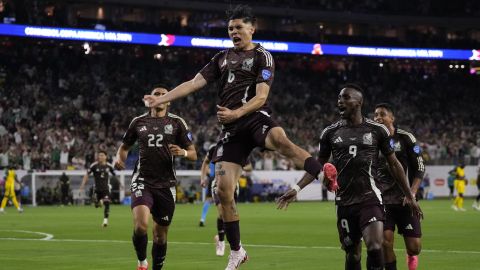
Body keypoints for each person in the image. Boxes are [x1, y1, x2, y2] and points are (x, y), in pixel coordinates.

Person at [142, 5, 333, 269]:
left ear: (251, 28)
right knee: (222, 191)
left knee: (281, 141)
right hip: (232, 131)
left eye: (239, 27)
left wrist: (236, 113)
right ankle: (237, 251)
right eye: (230, 28)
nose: (234, 32)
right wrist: (160, 98)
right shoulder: (221, 58)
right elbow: (193, 83)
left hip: (254, 117)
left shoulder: (262, 56)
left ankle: (325, 176)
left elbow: (262, 96)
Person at [277, 85, 422, 270]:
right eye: (339, 98)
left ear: (358, 102)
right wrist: (296, 189)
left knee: (375, 246)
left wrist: (409, 194)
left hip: (370, 198)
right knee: (352, 255)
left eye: (346, 98)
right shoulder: (330, 132)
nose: (340, 101)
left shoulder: (377, 130)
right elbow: (317, 164)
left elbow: (394, 164)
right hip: (344, 202)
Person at [115, 86, 197, 270]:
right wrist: (120, 158)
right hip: (142, 180)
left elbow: (193, 154)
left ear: (169, 100)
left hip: (166, 185)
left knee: (160, 235)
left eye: (163, 94)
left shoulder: (177, 123)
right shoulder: (138, 122)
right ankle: (142, 262)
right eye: (156, 93)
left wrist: (183, 152)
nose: (160, 96)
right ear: (151, 99)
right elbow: (124, 147)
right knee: (141, 225)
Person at [373, 103, 425, 270]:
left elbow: (420, 167)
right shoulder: (372, 140)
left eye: (382, 114)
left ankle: (411, 256)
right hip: (383, 200)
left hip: (405, 200)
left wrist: (412, 192)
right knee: (385, 242)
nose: (378, 118)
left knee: (414, 247)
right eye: (375, 115)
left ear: (392, 118)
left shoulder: (406, 138)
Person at [79, 150, 116, 227]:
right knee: (96, 205)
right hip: (97, 189)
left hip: (106, 188)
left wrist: (121, 185)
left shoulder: (109, 166)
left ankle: (105, 221)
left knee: (107, 203)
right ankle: (99, 202)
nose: (100, 157)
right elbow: (87, 174)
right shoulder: (94, 165)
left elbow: (115, 175)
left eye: (102, 155)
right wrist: (82, 185)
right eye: (99, 155)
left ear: (106, 157)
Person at [198, 144, 217, 228]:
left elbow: (206, 168)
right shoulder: (221, 157)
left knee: (208, 200)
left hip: (212, 179)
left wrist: (205, 178)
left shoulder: (210, 160)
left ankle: (202, 219)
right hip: (220, 178)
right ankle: (225, 220)